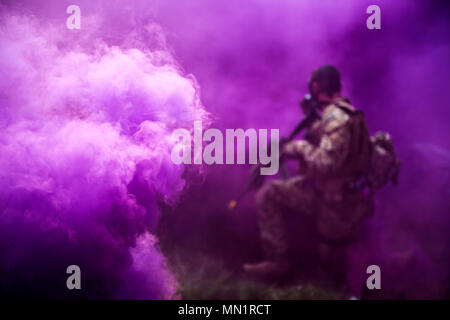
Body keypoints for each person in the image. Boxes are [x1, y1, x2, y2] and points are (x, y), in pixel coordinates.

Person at [243, 65, 374, 280]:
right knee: (271, 192)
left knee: (331, 270)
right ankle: (282, 262)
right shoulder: (346, 114)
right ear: (339, 86)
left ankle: (280, 263)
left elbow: (326, 163)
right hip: (335, 193)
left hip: (335, 203)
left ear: (314, 87)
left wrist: (297, 148)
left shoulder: (336, 119)